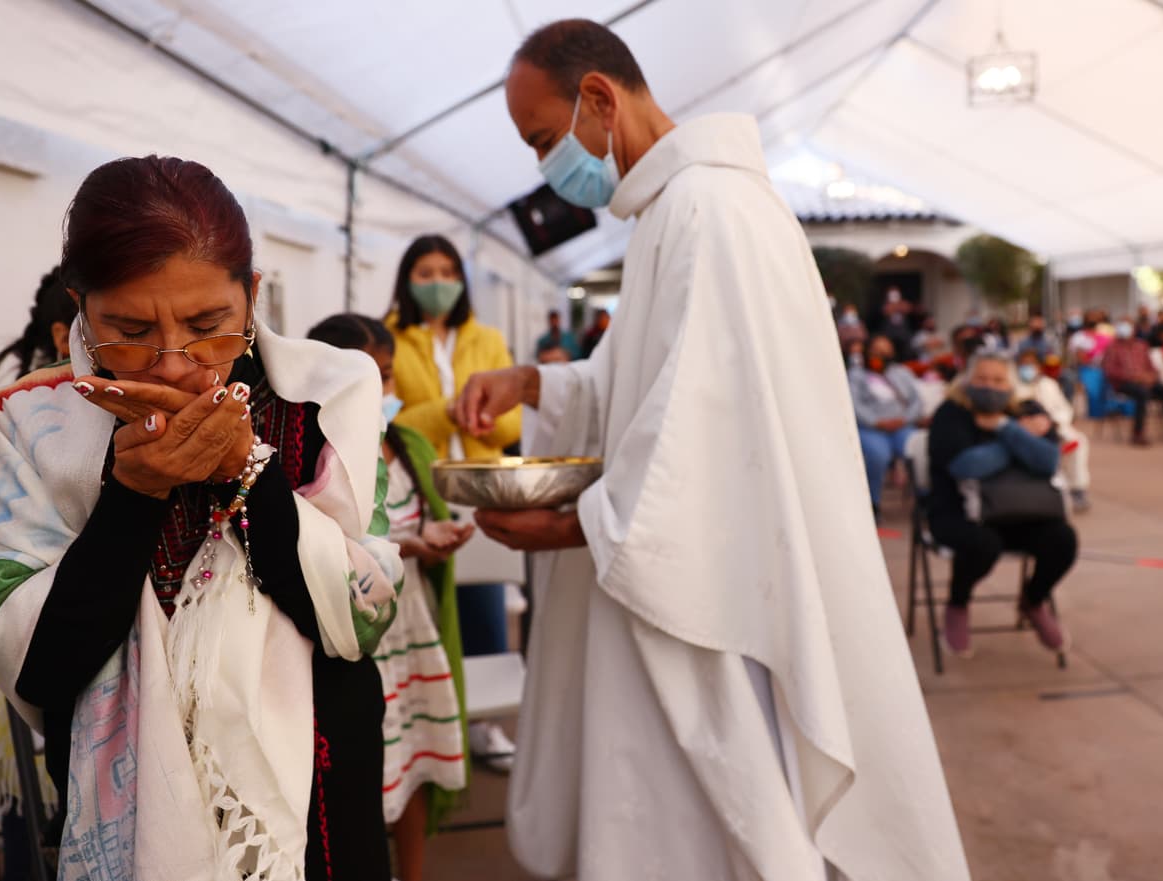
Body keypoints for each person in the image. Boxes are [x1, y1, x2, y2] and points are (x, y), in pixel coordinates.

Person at [453, 19, 970, 881]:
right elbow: (640, 382)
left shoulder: (708, 209)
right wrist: (533, 382)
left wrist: (574, 523)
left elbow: (699, 437)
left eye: (546, 139)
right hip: (687, 579)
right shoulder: (674, 210)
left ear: (598, 99)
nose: (548, 167)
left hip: (712, 603)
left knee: (709, 824)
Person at [0, 156, 402, 880]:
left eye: (207, 324)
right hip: (128, 819)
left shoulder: (327, 399)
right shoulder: (32, 424)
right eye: (131, 327)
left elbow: (360, 616)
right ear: (80, 307)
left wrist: (248, 469)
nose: (173, 364)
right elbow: (37, 665)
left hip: (319, 793)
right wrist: (131, 496)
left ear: (252, 295)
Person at [308, 314, 473, 881]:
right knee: (371, 771)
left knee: (418, 758)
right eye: (365, 377)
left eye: (387, 376)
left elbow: (425, 515)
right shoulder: (316, 456)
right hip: (364, 644)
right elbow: (330, 543)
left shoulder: (409, 448)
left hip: (414, 632)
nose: (381, 392)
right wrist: (411, 544)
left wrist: (437, 540)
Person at [385, 234, 520, 772]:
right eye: (425, 272)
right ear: (407, 279)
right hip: (424, 486)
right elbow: (390, 419)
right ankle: (433, 717)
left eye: (447, 271)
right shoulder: (390, 339)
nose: (438, 282)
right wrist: (448, 409)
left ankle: (483, 726)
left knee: (484, 600)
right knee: (430, 602)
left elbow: (512, 419)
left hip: (481, 483)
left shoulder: (486, 338)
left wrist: (484, 414)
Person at [0, 269, 76, 881]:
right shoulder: (16, 415)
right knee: (37, 807)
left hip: (46, 619)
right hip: (23, 622)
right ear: (67, 330)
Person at [927, 352, 1076, 656]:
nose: (990, 387)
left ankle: (1033, 600)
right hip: (959, 514)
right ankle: (958, 603)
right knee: (984, 545)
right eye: (982, 379)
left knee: (1063, 540)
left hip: (1021, 510)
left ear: (1010, 383)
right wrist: (1019, 438)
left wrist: (1005, 428)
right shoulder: (951, 413)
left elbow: (1048, 460)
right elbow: (965, 466)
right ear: (968, 379)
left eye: (998, 380)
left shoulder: (1026, 408)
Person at [849, 336, 925, 516]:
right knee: (877, 455)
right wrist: (876, 422)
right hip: (872, 429)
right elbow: (854, 403)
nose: (881, 355)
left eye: (886, 351)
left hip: (901, 426)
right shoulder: (856, 375)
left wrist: (904, 419)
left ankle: (925, 500)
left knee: (919, 450)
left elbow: (916, 402)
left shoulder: (901, 372)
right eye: (877, 350)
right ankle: (872, 504)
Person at [1016, 349, 1092, 512]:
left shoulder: (1048, 384)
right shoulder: (1015, 386)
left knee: (1078, 441)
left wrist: (1056, 421)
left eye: (1031, 364)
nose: (1027, 367)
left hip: (1057, 428)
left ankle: (1077, 488)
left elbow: (1064, 408)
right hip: (1026, 432)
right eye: (1024, 364)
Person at [1103, 316, 1163, 445]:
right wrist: (1132, 377)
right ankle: (1138, 433)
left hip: (1146, 381)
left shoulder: (1141, 346)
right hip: (1124, 384)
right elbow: (1109, 371)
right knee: (1142, 394)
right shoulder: (1113, 347)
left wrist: (1150, 377)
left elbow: (1152, 367)